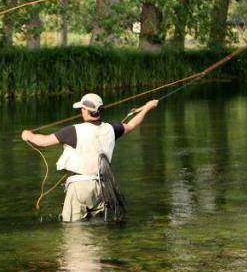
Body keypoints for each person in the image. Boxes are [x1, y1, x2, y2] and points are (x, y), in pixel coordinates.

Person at [21, 93, 159, 222]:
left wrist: (27, 135)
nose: (81, 111)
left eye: (82, 108)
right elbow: (131, 125)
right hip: (103, 187)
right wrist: (147, 108)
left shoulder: (73, 131)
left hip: (79, 187)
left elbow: (43, 141)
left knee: (73, 231)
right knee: (97, 229)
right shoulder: (112, 128)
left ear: (86, 111)